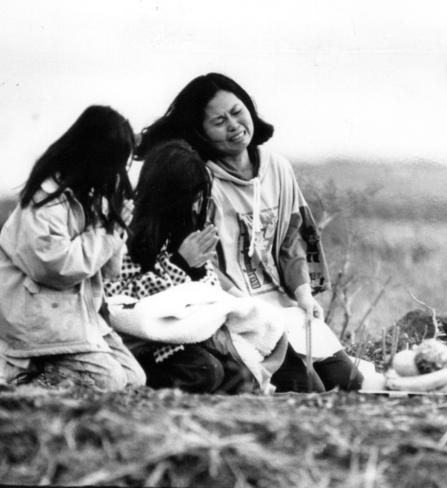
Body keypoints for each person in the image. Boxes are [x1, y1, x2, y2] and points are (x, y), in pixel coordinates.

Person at [137, 73, 364, 392]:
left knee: (348, 381)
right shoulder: (198, 179)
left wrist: (302, 292)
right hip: (236, 309)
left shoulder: (278, 168)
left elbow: (292, 238)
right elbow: (202, 265)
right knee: (304, 387)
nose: (233, 124)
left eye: (237, 111)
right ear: (200, 131)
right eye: (219, 120)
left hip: (283, 305)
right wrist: (244, 306)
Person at [105, 139, 277, 394]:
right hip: (142, 343)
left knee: (240, 377)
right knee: (205, 371)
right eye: (191, 196)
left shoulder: (185, 229)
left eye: (200, 197)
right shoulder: (130, 230)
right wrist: (179, 265)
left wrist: (195, 269)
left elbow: (207, 296)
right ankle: (142, 385)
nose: (196, 204)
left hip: (186, 339)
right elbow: (120, 299)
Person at [0, 105, 146, 390]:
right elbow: (55, 266)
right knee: (110, 380)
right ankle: (22, 381)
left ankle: (42, 370)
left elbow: (111, 271)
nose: (117, 173)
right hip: (38, 320)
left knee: (133, 379)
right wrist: (108, 233)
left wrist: (116, 227)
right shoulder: (45, 200)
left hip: (74, 317)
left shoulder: (89, 197)